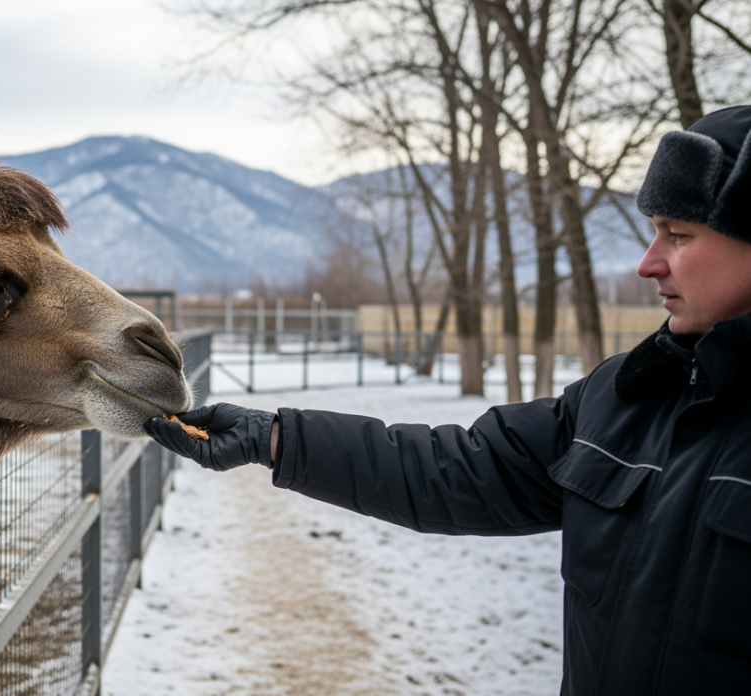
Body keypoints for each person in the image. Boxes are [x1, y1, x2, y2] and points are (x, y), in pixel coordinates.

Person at [145, 105, 751, 696]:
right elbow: (459, 468)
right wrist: (272, 437)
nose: (649, 263)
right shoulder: (629, 400)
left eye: (679, 235)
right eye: (652, 234)